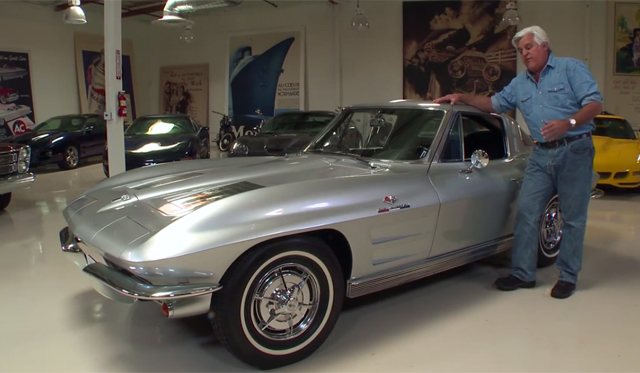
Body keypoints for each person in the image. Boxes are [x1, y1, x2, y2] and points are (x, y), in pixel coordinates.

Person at [434, 25, 603, 299]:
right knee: (526, 211)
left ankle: (568, 276)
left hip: (575, 149)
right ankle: (523, 274)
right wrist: (462, 97)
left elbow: (595, 104)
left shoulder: (570, 69)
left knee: (572, 218)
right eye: (521, 50)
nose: (524, 53)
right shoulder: (520, 83)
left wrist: (568, 123)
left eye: (528, 47)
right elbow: (493, 104)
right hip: (541, 153)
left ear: (544, 46)